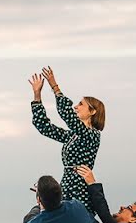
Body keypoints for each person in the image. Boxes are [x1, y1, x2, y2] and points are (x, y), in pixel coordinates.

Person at [28, 66, 104, 213]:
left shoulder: (92, 135)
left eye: (80, 104)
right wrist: (37, 95)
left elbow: (67, 114)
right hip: (66, 186)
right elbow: (44, 127)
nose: (75, 107)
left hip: (79, 190)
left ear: (92, 112)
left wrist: (54, 86)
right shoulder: (73, 135)